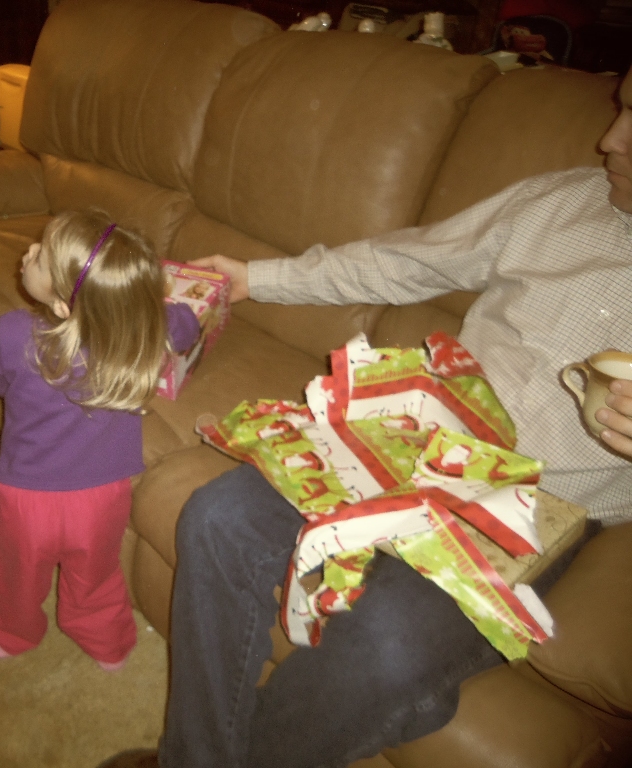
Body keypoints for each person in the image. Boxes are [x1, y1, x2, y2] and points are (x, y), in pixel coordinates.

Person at [98, 68, 632, 768]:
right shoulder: (560, 202)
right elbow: (407, 262)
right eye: (622, 109)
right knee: (217, 516)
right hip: (413, 439)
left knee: (388, 642)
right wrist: (256, 278)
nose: (611, 138)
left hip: (536, 505)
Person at [0, 210, 199, 670]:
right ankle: (108, 646)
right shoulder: (147, 329)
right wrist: (161, 309)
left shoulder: (15, 332)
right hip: (102, 498)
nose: (29, 253)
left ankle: (8, 635)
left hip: (25, 500)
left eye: (41, 258)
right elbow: (187, 325)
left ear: (62, 307)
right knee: (96, 577)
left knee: (17, 576)